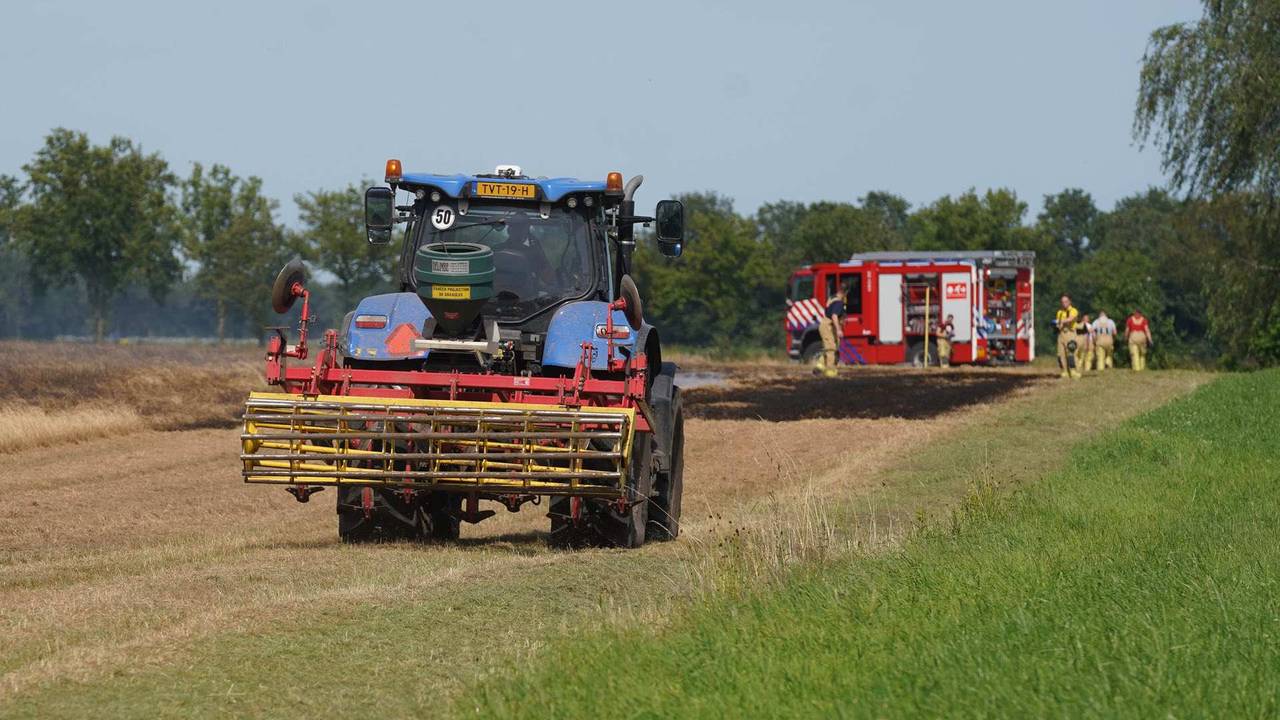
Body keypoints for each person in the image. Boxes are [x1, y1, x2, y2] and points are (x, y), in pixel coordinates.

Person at [816, 285, 846, 378]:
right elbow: (834, 316)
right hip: (828, 327)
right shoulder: (838, 303)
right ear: (843, 293)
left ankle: (819, 367)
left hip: (828, 326)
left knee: (832, 347)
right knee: (831, 349)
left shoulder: (832, 299)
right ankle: (830, 373)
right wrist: (839, 330)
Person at [1054, 295, 1081, 379]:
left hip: (1070, 333)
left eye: (1066, 301)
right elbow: (1058, 324)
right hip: (1061, 334)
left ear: (1069, 302)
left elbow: (1070, 319)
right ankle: (1064, 372)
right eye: (1062, 302)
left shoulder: (1073, 310)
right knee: (1060, 354)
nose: (1064, 303)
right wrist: (1057, 325)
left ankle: (1074, 371)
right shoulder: (1059, 312)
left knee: (1071, 353)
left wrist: (1061, 321)